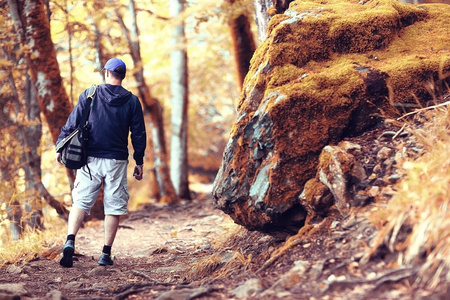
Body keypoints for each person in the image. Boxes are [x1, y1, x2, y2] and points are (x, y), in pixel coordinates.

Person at [56, 58, 146, 267]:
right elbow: (138, 133)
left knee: (80, 202)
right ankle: (105, 254)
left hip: (89, 159)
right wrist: (139, 161)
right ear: (122, 76)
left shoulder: (90, 94)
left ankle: (70, 240)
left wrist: (60, 145)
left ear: (106, 73)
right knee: (113, 207)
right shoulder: (132, 101)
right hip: (116, 161)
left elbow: (73, 122)